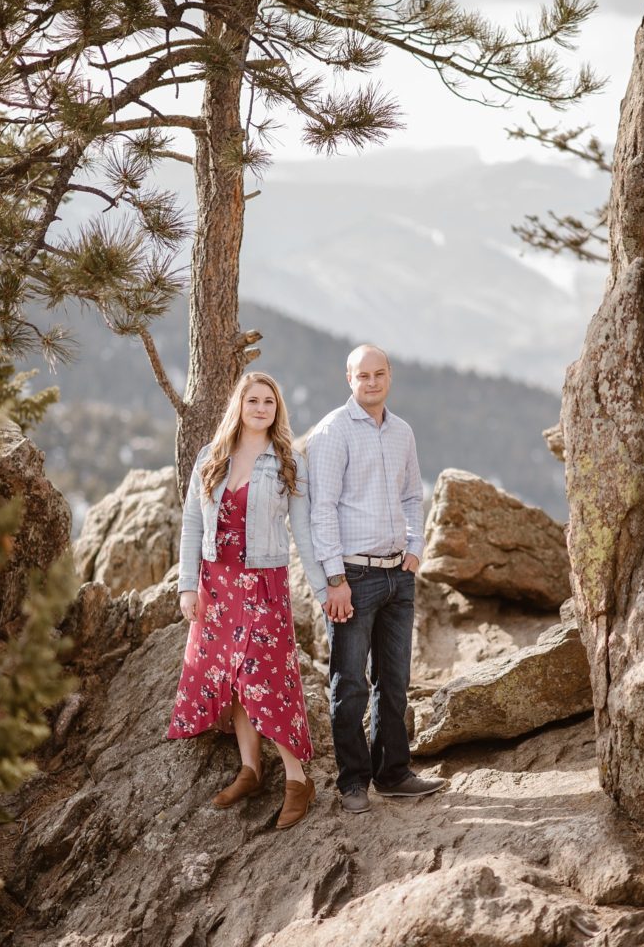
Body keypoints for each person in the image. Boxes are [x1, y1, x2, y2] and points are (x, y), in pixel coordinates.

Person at [168, 372, 327, 830]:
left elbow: (304, 533)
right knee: (231, 675)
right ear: (239, 405)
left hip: (263, 584)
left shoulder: (287, 462)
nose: (260, 408)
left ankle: (297, 780)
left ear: (277, 411)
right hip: (216, 586)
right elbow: (192, 528)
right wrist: (186, 585)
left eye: (269, 402)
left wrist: (323, 589)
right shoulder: (210, 457)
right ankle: (250, 769)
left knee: (265, 674)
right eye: (253, 400)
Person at [307, 344, 447, 814]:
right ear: (348, 379)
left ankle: (393, 774)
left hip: (397, 575)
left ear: (390, 376)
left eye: (379, 373)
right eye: (362, 375)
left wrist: (415, 548)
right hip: (353, 576)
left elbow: (412, 495)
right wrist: (334, 579)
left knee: (395, 681)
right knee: (349, 683)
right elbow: (320, 510)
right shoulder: (332, 432)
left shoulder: (402, 431)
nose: (371, 382)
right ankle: (352, 782)